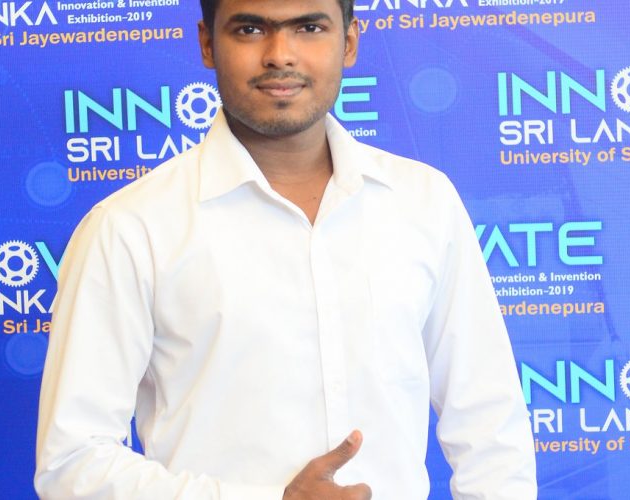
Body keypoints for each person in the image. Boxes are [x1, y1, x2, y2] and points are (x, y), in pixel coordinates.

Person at [35, 0, 537, 498]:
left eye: (309, 27)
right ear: (207, 45)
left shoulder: (423, 201)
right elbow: (72, 463)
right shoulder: (129, 227)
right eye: (250, 30)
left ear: (349, 42)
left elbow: (489, 426)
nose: (280, 54)